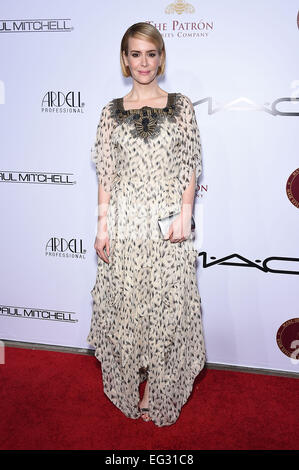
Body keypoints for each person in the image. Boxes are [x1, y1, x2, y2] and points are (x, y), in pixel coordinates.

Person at [87, 22, 206, 427]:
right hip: (124, 223)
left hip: (166, 224)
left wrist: (186, 214)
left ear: (161, 58)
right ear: (125, 59)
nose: (144, 62)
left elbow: (190, 166)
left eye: (151, 54)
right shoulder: (110, 113)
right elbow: (107, 176)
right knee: (127, 308)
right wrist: (102, 227)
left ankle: (160, 389)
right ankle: (128, 384)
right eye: (135, 54)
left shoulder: (182, 105)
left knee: (168, 309)